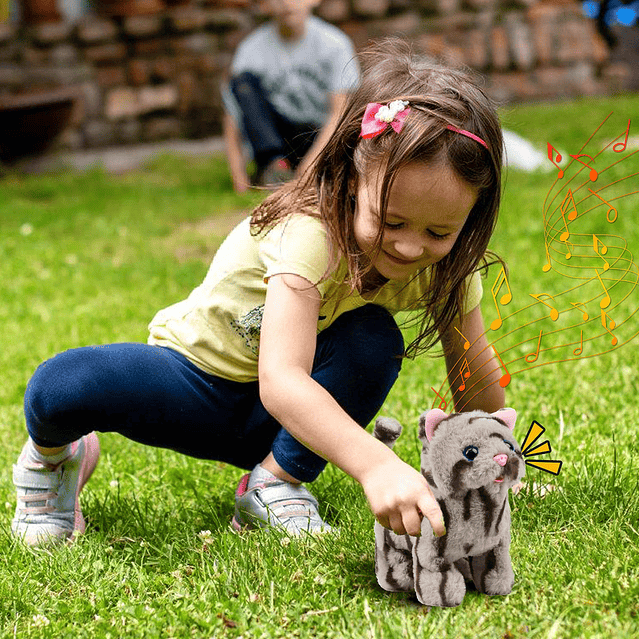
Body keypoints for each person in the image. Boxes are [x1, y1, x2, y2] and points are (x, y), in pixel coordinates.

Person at [12, 39, 508, 547]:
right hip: (197, 385)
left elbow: (473, 372)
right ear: (352, 179)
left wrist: (491, 450)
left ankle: (275, 481)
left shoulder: (447, 268)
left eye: (438, 232)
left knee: (373, 338)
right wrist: (378, 464)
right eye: (391, 220)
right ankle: (55, 459)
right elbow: (280, 380)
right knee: (59, 388)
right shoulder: (310, 235)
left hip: (290, 422)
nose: (409, 245)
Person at [222, 0, 359, 192]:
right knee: (242, 83)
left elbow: (340, 113)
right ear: (265, 4)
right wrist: (239, 180)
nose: (286, 3)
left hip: (321, 136)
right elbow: (232, 118)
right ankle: (276, 168)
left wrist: (310, 167)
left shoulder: (335, 45)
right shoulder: (250, 51)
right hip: (279, 137)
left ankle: (320, 170)